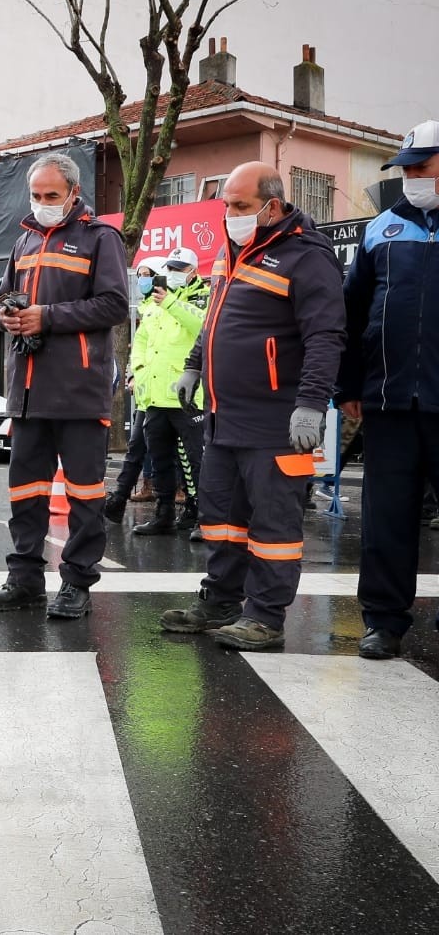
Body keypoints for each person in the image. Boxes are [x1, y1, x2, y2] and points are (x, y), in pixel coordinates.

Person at [161, 161, 345, 650]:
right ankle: (221, 600)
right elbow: (215, 319)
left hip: (275, 421)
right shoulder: (232, 251)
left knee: (273, 526)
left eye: (241, 206)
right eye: (226, 205)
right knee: (221, 520)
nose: (230, 215)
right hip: (224, 417)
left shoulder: (307, 256)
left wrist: (311, 403)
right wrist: (195, 363)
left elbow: (326, 336)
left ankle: (265, 616)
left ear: (274, 205)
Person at [0, 153, 130, 620]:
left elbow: (113, 305)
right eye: (36, 196)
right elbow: (5, 297)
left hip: (79, 391)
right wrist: (4, 315)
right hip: (27, 391)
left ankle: (77, 584)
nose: (42, 203)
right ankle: (24, 580)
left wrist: (46, 316)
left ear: (73, 194)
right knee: (25, 492)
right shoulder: (23, 240)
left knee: (84, 497)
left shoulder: (100, 238)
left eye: (51, 196)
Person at [339, 121, 439, 659]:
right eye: (406, 169)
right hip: (388, 401)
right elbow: (351, 316)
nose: (412, 178)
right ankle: (383, 620)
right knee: (387, 520)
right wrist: (347, 386)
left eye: (422, 167)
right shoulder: (383, 229)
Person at [111, 247, 209, 539]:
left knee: (197, 460)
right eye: (172, 268)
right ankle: (164, 515)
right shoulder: (153, 303)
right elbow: (141, 340)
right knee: (160, 458)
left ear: (193, 271)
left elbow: (203, 325)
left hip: (188, 397)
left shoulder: (200, 297)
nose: (175, 274)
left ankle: (205, 517)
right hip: (154, 396)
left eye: (181, 269)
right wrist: (138, 370)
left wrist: (171, 303)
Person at [106, 258, 164, 520]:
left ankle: (176, 503)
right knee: (136, 448)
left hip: (172, 395)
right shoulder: (147, 309)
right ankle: (119, 498)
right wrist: (133, 376)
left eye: (147, 275)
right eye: (140, 275)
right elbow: (139, 349)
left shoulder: (173, 308)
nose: (142, 280)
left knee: (170, 452)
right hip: (146, 393)